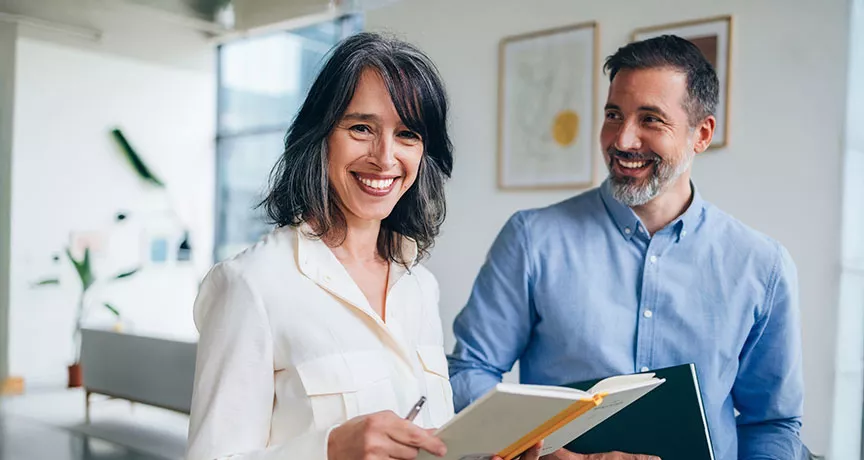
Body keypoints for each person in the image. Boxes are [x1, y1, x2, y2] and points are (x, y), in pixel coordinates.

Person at [448, 35, 804, 460]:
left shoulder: (763, 266)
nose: (623, 140)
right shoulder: (532, 238)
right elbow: (470, 371)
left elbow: (771, 422)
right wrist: (539, 451)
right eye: (614, 115)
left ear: (701, 133)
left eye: (651, 120)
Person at [185, 32, 463, 460]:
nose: (385, 157)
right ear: (320, 136)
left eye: (407, 134)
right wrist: (329, 450)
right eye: (361, 128)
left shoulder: (420, 285)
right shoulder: (250, 285)